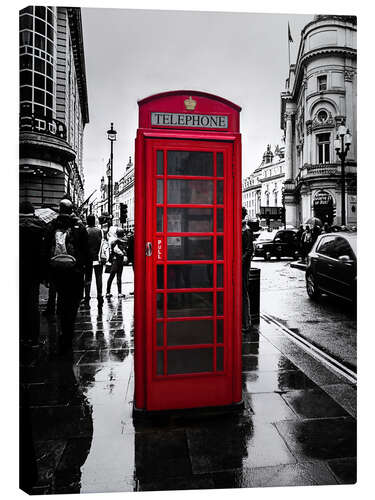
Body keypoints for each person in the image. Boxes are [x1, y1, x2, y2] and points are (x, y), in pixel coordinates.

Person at [45, 199, 89, 356]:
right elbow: (86, 252)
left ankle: (62, 333)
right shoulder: (79, 227)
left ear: (59, 209)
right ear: (72, 210)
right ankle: (68, 334)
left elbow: (45, 250)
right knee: (73, 304)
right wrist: (87, 274)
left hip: (57, 271)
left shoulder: (51, 225)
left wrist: (47, 274)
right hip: (75, 272)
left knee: (62, 302)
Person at [19, 201, 47, 347]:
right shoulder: (41, 227)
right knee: (33, 303)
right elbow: (44, 253)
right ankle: (34, 338)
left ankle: (21, 336)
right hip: (34, 271)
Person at [83, 215, 105, 309]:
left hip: (87, 258)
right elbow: (102, 243)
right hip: (98, 257)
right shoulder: (99, 231)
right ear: (94, 221)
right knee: (99, 277)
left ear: (87, 221)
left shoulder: (85, 230)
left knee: (88, 278)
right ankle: (100, 296)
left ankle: (87, 297)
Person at [106, 228, 128, 298]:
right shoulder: (122, 241)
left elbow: (113, 250)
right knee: (119, 277)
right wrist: (123, 254)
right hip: (119, 260)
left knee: (111, 277)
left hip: (114, 260)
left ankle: (108, 292)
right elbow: (118, 250)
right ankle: (119, 293)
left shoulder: (113, 241)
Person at [242, 208, 253, 331]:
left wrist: (240, 260)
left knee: (244, 293)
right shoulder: (240, 228)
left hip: (244, 267)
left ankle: (247, 322)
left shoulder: (247, 230)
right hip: (238, 265)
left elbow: (249, 250)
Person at [126, 230, 135, 295]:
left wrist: (129, 260)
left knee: (136, 275)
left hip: (134, 259)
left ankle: (136, 289)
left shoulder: (131, 238)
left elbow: (129, 250)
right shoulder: (131, 238)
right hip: (143, 258)